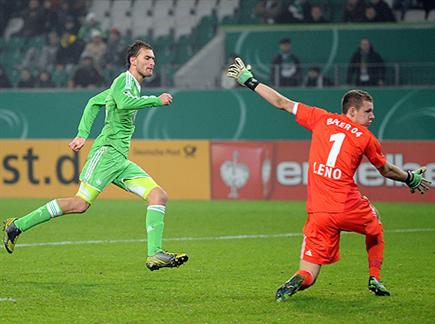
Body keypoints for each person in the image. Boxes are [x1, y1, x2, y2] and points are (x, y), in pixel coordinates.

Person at [227, 57, 431, 301]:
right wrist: (409, 178)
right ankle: (374, 276)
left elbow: (281, 102)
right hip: (348, 206)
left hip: (319, 212)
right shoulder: (366, 138)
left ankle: (297, 280)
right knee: (375, 226)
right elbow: (385, 170)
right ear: (352, 111)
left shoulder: (321, 119)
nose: (373, 116)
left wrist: (250, 81)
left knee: (309, 271)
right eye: (368, 111)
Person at [3, 40, 189, 271]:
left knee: (158, 196)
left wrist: (82, 135)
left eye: (153, 59)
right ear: (133, 60)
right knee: (80, 203)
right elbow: (122, 103)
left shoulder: (131, 86)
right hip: (106, 153)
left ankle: (155, 254)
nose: (152, 62)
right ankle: (17, 226)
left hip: (120, 160)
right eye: (147, 58)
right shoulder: (123, 81)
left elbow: (93, 102)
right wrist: (156, 101)